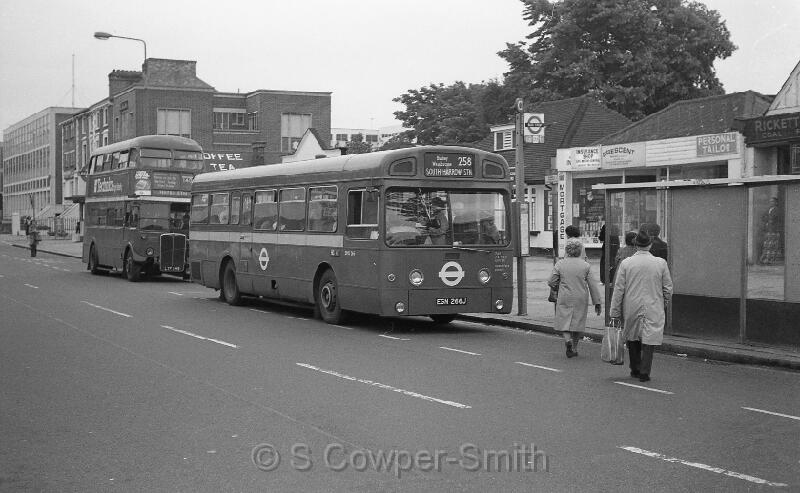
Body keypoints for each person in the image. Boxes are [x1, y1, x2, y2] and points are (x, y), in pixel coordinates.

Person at [609, 229, 673, 383]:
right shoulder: (660, 263)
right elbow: (668, 288)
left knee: (632, 336)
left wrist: (615, 311)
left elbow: (619, 289)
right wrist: (663, 303)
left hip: (631, 304)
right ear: (650, 245)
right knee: (649, 338)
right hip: (653, 305)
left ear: (636, 245)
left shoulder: (626, 263)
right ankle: (645, 371)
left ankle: (635, 368)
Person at [548, 238, 602, 358]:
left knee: (564, 321)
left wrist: (557, 287)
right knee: (577, 322)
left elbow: (551, 281)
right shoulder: (585, 266)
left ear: (567, 251)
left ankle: (568, 341)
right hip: (580, 297)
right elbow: (592, 285)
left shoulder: (560, 264)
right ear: (579, 251)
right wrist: (597, 302)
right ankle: (575, 348)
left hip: (565, 296)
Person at [759, 197, 782, 265]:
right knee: (767, 244)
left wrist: (769, 220)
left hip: (774, 229)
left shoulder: (777, 210)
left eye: (773, 201)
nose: (771, 203)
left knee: (772, 245)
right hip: (768, 229)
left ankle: (770, 260)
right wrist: (767, 221)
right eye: (770, 201)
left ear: (776, 202)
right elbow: (763, 216)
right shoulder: (768, 209)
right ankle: (764, 259)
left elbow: (773, 218)